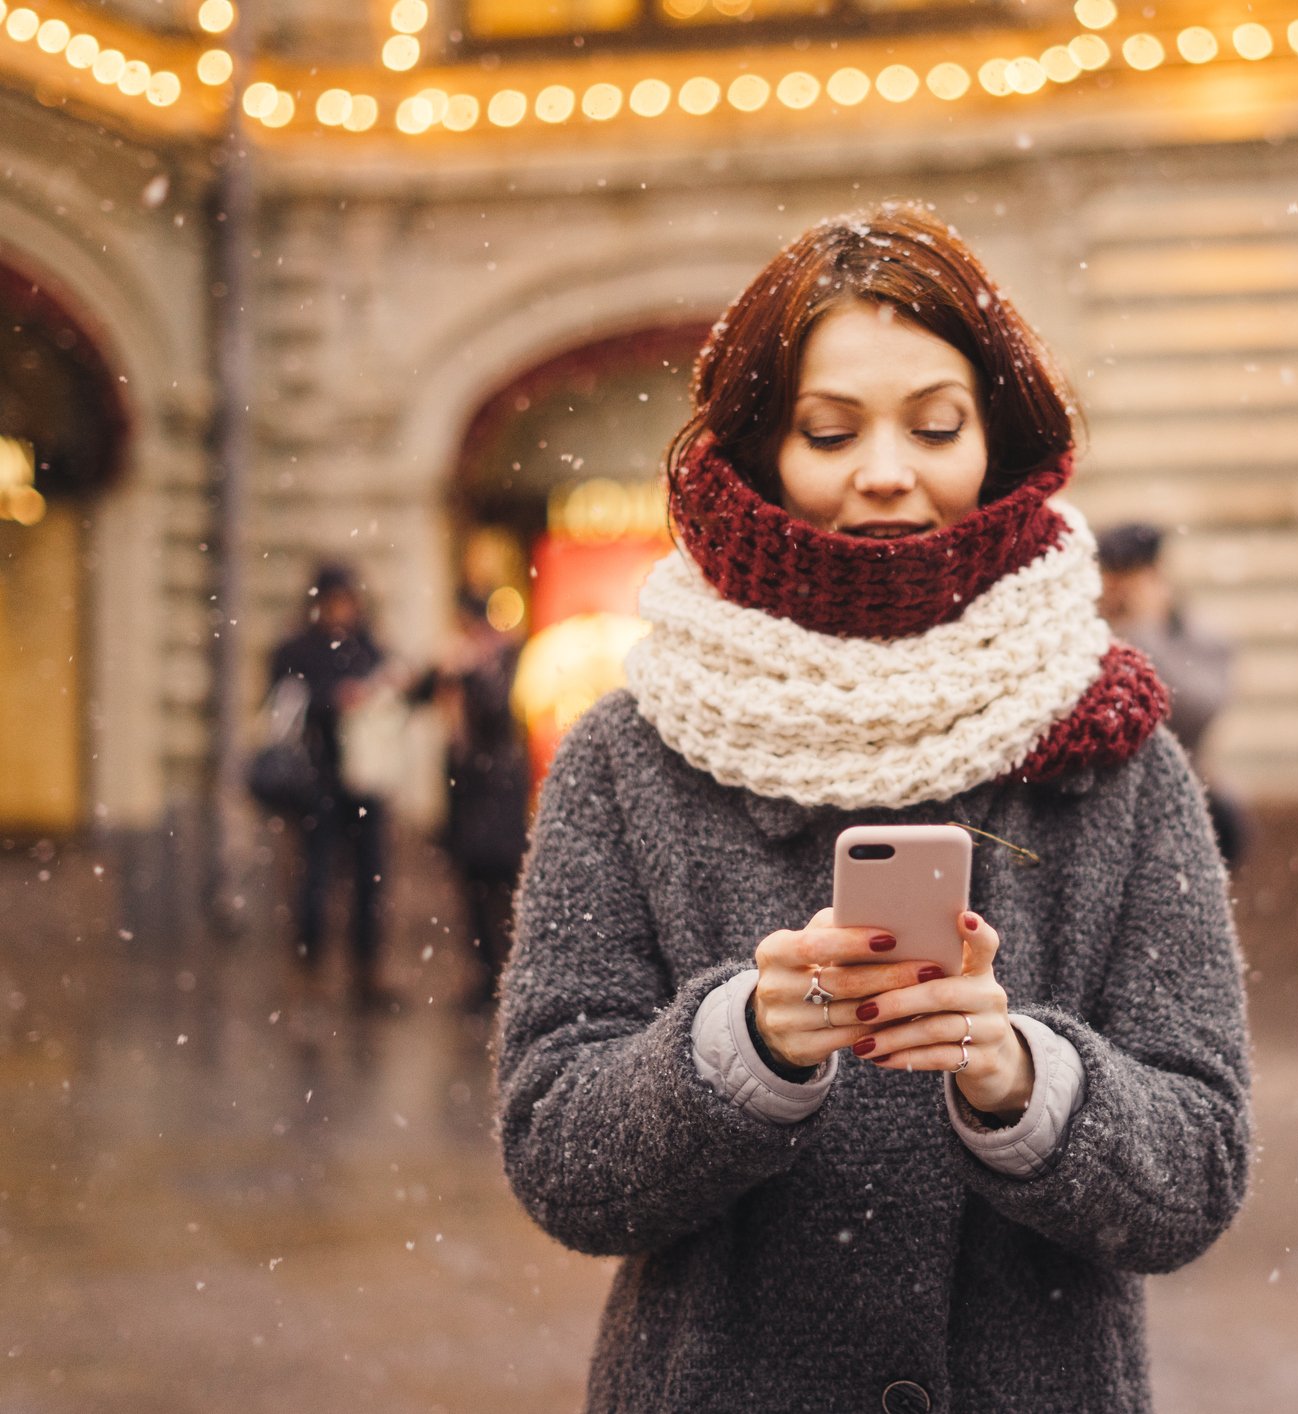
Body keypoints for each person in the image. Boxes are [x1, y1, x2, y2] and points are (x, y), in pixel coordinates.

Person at [496, 202, 1251, 1413]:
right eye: (830, 430)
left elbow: (1199, 1166)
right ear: (762, 452)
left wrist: (1020, 1079)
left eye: (938, 425)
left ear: (998, 440)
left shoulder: (1114, 752)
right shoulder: (630, 754)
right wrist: (737, 1048)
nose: (887, 472)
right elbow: (557, 1154)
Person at [267, 562, 395, 1008]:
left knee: (369, 878)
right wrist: (333, 699)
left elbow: (390, 691)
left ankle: (366, 969)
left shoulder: (367, 647)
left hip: (365, 778)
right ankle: (310, 969)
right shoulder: (297, 651)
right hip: (317, 780)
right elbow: (283, 707)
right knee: (315, 878)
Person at [1095, 520, 1250, 867]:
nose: (1117, 591)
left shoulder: (1200, 639)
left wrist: (1143, 629)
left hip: (1178, 796)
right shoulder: (1087, 630)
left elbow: (1196, 710)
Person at [407, 588, 530, 1012]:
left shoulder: (504, 659)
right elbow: (416, 696)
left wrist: (472, 673)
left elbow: (498, 713)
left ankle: (508, 978)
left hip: (497, 797)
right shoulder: (460, 664)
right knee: (472, 894)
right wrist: (438, 670)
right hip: (467, 799)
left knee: (503, 893)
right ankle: (483, 978)